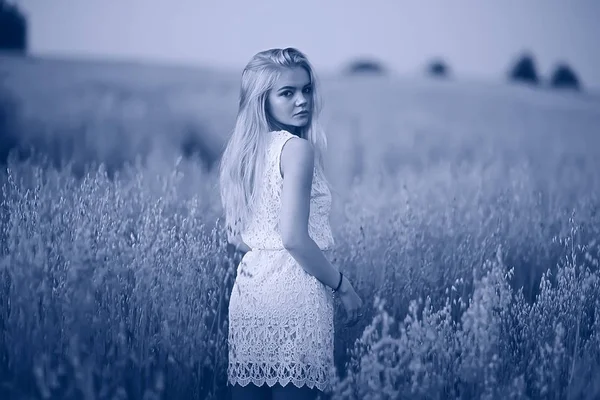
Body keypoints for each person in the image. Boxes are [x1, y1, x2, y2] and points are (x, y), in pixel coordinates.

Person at [218, 47, 364, 400]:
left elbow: (237, 236)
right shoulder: (297, 150)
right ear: (262, 100)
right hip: (296, 294)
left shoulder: (244, 152)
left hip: (250, 292)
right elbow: (294, 238)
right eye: (287, 93)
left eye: (307, 90)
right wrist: (342, 285)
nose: (302, 101)